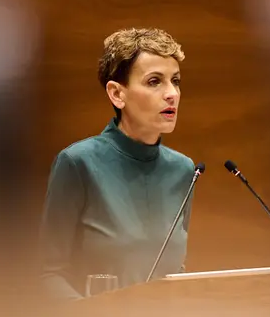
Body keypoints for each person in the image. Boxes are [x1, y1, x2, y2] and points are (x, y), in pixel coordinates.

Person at [39, 28, 197, 300]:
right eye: (154, 81)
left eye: (176, 81)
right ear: (117, 94)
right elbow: (48, 275)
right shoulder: (78, 163)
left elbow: (173, 270)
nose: (171, 93)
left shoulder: (183, 170)